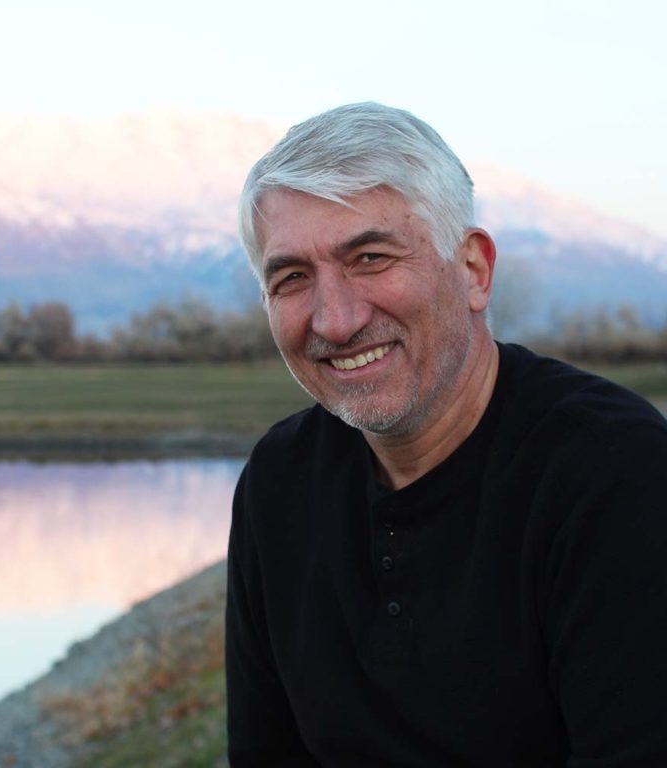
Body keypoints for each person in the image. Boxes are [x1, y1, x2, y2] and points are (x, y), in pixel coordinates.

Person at [224, 102, 667, 767]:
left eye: (370, 257)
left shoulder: (615, 474)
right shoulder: (280, 481)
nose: (336, 320)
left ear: (473, 271)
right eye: (291, 278)